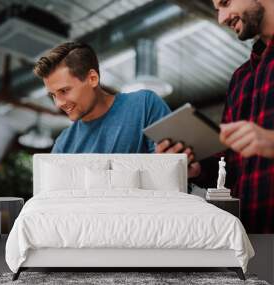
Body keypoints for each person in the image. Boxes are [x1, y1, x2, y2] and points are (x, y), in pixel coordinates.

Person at [157, 0, 274, 233]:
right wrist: (197, 168)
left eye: (225, 2)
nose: (221, 18)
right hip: (250, 236)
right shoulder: (241, 78)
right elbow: (229, 168)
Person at [33, 42, 171, 154]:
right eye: (53, 95)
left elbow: (177, 171)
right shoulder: (63, 145)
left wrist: (185, 171)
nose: (58, 104)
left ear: (92, 79)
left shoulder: (144, 105)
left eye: (64, 90)